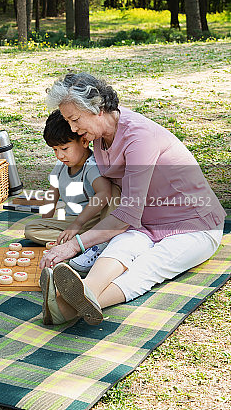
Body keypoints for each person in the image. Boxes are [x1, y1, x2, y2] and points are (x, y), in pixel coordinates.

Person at [38, 72, 226, 327]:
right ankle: (76, 299)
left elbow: (127, 214)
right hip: (144, 223)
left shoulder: (139, 137)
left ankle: (66, 308)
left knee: (148, 267)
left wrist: (74, 245)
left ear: (96, 108)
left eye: (74, 119)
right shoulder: (99, 136)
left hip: (193, 225)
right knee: (121, 248)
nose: (72, 129)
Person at [25, 110, 119, 274]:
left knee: (115, 193)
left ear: (84, 141)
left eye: (64, 148)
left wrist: (78, 224)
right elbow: (52, 196)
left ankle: (96, 242)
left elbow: (104, 194)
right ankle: (82, 244)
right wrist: (46, 222)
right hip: (73, 223)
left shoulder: (91, 166)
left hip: (94, 221)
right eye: (55, 150)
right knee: (31, 229)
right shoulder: (61, 167)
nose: (60, 155)